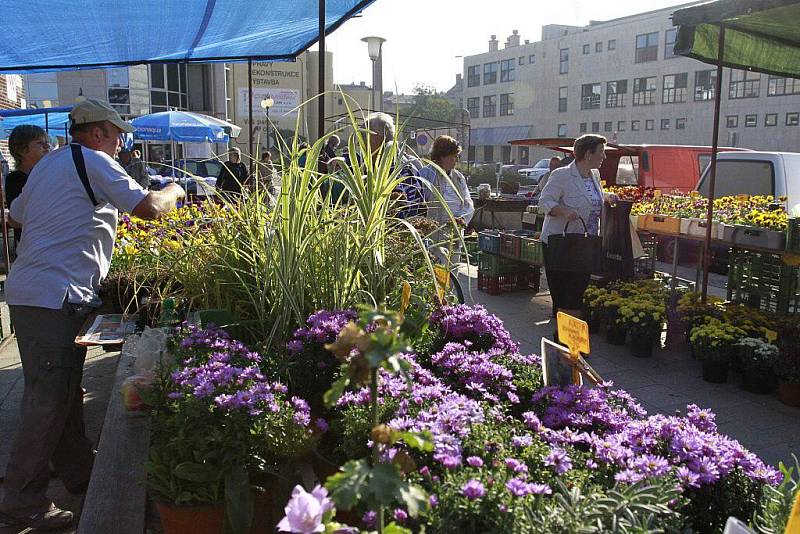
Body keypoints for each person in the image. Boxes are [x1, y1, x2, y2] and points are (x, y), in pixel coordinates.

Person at [0, 99, 185, 531]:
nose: (122, 142)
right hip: (54, 295)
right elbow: (149, 209)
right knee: (45, 401)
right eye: (117, 134)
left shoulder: (49, 164)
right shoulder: (94, 161)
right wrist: (174, 190)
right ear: (98, 133)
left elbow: (19, 215)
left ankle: (79, 473)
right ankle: (18, 504)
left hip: (33, 294)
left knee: (61, 390)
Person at [538, 134, 617, 318]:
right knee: (564, 295)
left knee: (576, 293)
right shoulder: (562, 175)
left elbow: (590, 198)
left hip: (585, 245)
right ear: (588, 154)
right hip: (561, 244)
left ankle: (570, 335)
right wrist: (564, 212)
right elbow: (544, 202)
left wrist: (607, 197)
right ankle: (562, 338)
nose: (604, 157)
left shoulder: (594, 175)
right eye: (601, 153)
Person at [365, 112, 424, 218]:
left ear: (378, 139)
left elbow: (405, 214)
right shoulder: (369, 169)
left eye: (364, 137)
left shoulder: (400, 172)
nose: (360, 143)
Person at [5, 125, 51, 247]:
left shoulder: (47, 174)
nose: (47, 146)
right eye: (40, 143)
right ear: (22, 150)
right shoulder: (16, 179)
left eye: (47, 142)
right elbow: (19, 218)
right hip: (31, 246)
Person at [419, 135, 474, 228]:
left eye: (457, 156)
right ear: (442, 156)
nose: (457, 160)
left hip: (455, 234)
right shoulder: (425, 175)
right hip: (433, 233)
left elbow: (468, 205)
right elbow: (419, 206)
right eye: (454, 156)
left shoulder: (459, 178)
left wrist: (460, 220)